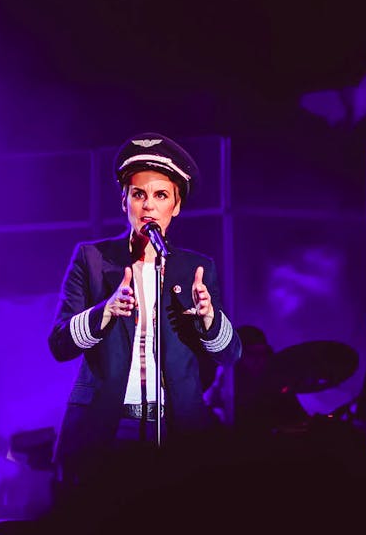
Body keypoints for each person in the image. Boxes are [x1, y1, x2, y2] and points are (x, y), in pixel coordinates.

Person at [47, 132, 241, 496]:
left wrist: (209, 320)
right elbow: (59, 344)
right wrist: (104, 312)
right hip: (107, 428)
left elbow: (231, 355)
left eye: (161, 195)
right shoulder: (92, 259)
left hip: (177, 430)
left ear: (176, 206)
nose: (149, 206)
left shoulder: (196, 268)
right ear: (125, 202)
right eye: (139, 194)